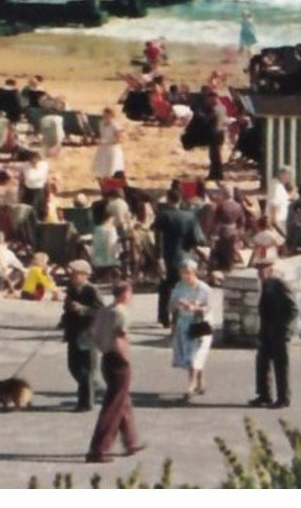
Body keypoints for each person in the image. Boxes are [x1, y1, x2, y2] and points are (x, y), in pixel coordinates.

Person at [86, 284, 142, 464]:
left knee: (122, 400)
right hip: (118, 360)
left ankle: (131, 441)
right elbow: (120, 337)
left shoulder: (103, 311)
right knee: (113, 406)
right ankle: (99, 449)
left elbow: (92, 333)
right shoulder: (120, 312)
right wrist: (126, 359)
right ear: (125, 295)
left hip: (106, 358)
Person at [153, 187, 205, 327]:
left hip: (168, 255)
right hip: (185, 255)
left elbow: (157, 238)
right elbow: (198, 239)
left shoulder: (163, 216)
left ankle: (164, 317)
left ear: (168, 199)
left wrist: (158, 257)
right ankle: (182, 314)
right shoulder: (190, 216)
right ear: (181, 200)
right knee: (185, 286)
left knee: (166, 286)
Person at [250, 257, 296, 409]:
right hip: (267, 331)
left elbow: (293, 309)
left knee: (280, 365)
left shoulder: (279, 284)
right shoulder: (266, 285)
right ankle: (264, 395)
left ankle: (283, 398)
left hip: (280, 332)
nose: (260, 274)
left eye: (263, 271)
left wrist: (282, 327)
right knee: (262, 362)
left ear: (271, 270)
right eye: (259, 271)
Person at [60, 260, 103, 411]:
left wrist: (83, 309)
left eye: (74, 274)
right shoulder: (71, 289)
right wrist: (64, 318)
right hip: (73, 332)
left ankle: (86, 402)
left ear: (84, 275)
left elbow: (101, 312)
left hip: (88, 333)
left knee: (87, 368)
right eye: (70, 274)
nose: (71, 277)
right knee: (73, 366)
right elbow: (66, 308)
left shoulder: (92, 290)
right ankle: (90, 389)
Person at [169, 260, 213, 401]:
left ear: (194, 272)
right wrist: (177, 304)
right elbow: (170, 306)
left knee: (195, 355)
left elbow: (210, 307)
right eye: (182, 273)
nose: (185, 276)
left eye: (187, 273)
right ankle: (200, 382)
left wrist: (196, 308)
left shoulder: (204, 289)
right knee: (191, 355)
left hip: (200, 325)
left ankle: (191, 386)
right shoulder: (179, 287)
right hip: (185, 324)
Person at [93, 107, 127, 183]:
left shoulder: (115, 126)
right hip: (103, 149)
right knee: (101, 166)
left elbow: (119, 139)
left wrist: (106, 142)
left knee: (111, 167)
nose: (105, 118)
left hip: (112, 150)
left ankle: (111, 183)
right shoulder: (101, 123)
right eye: (104, 116)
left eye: (107, 116)